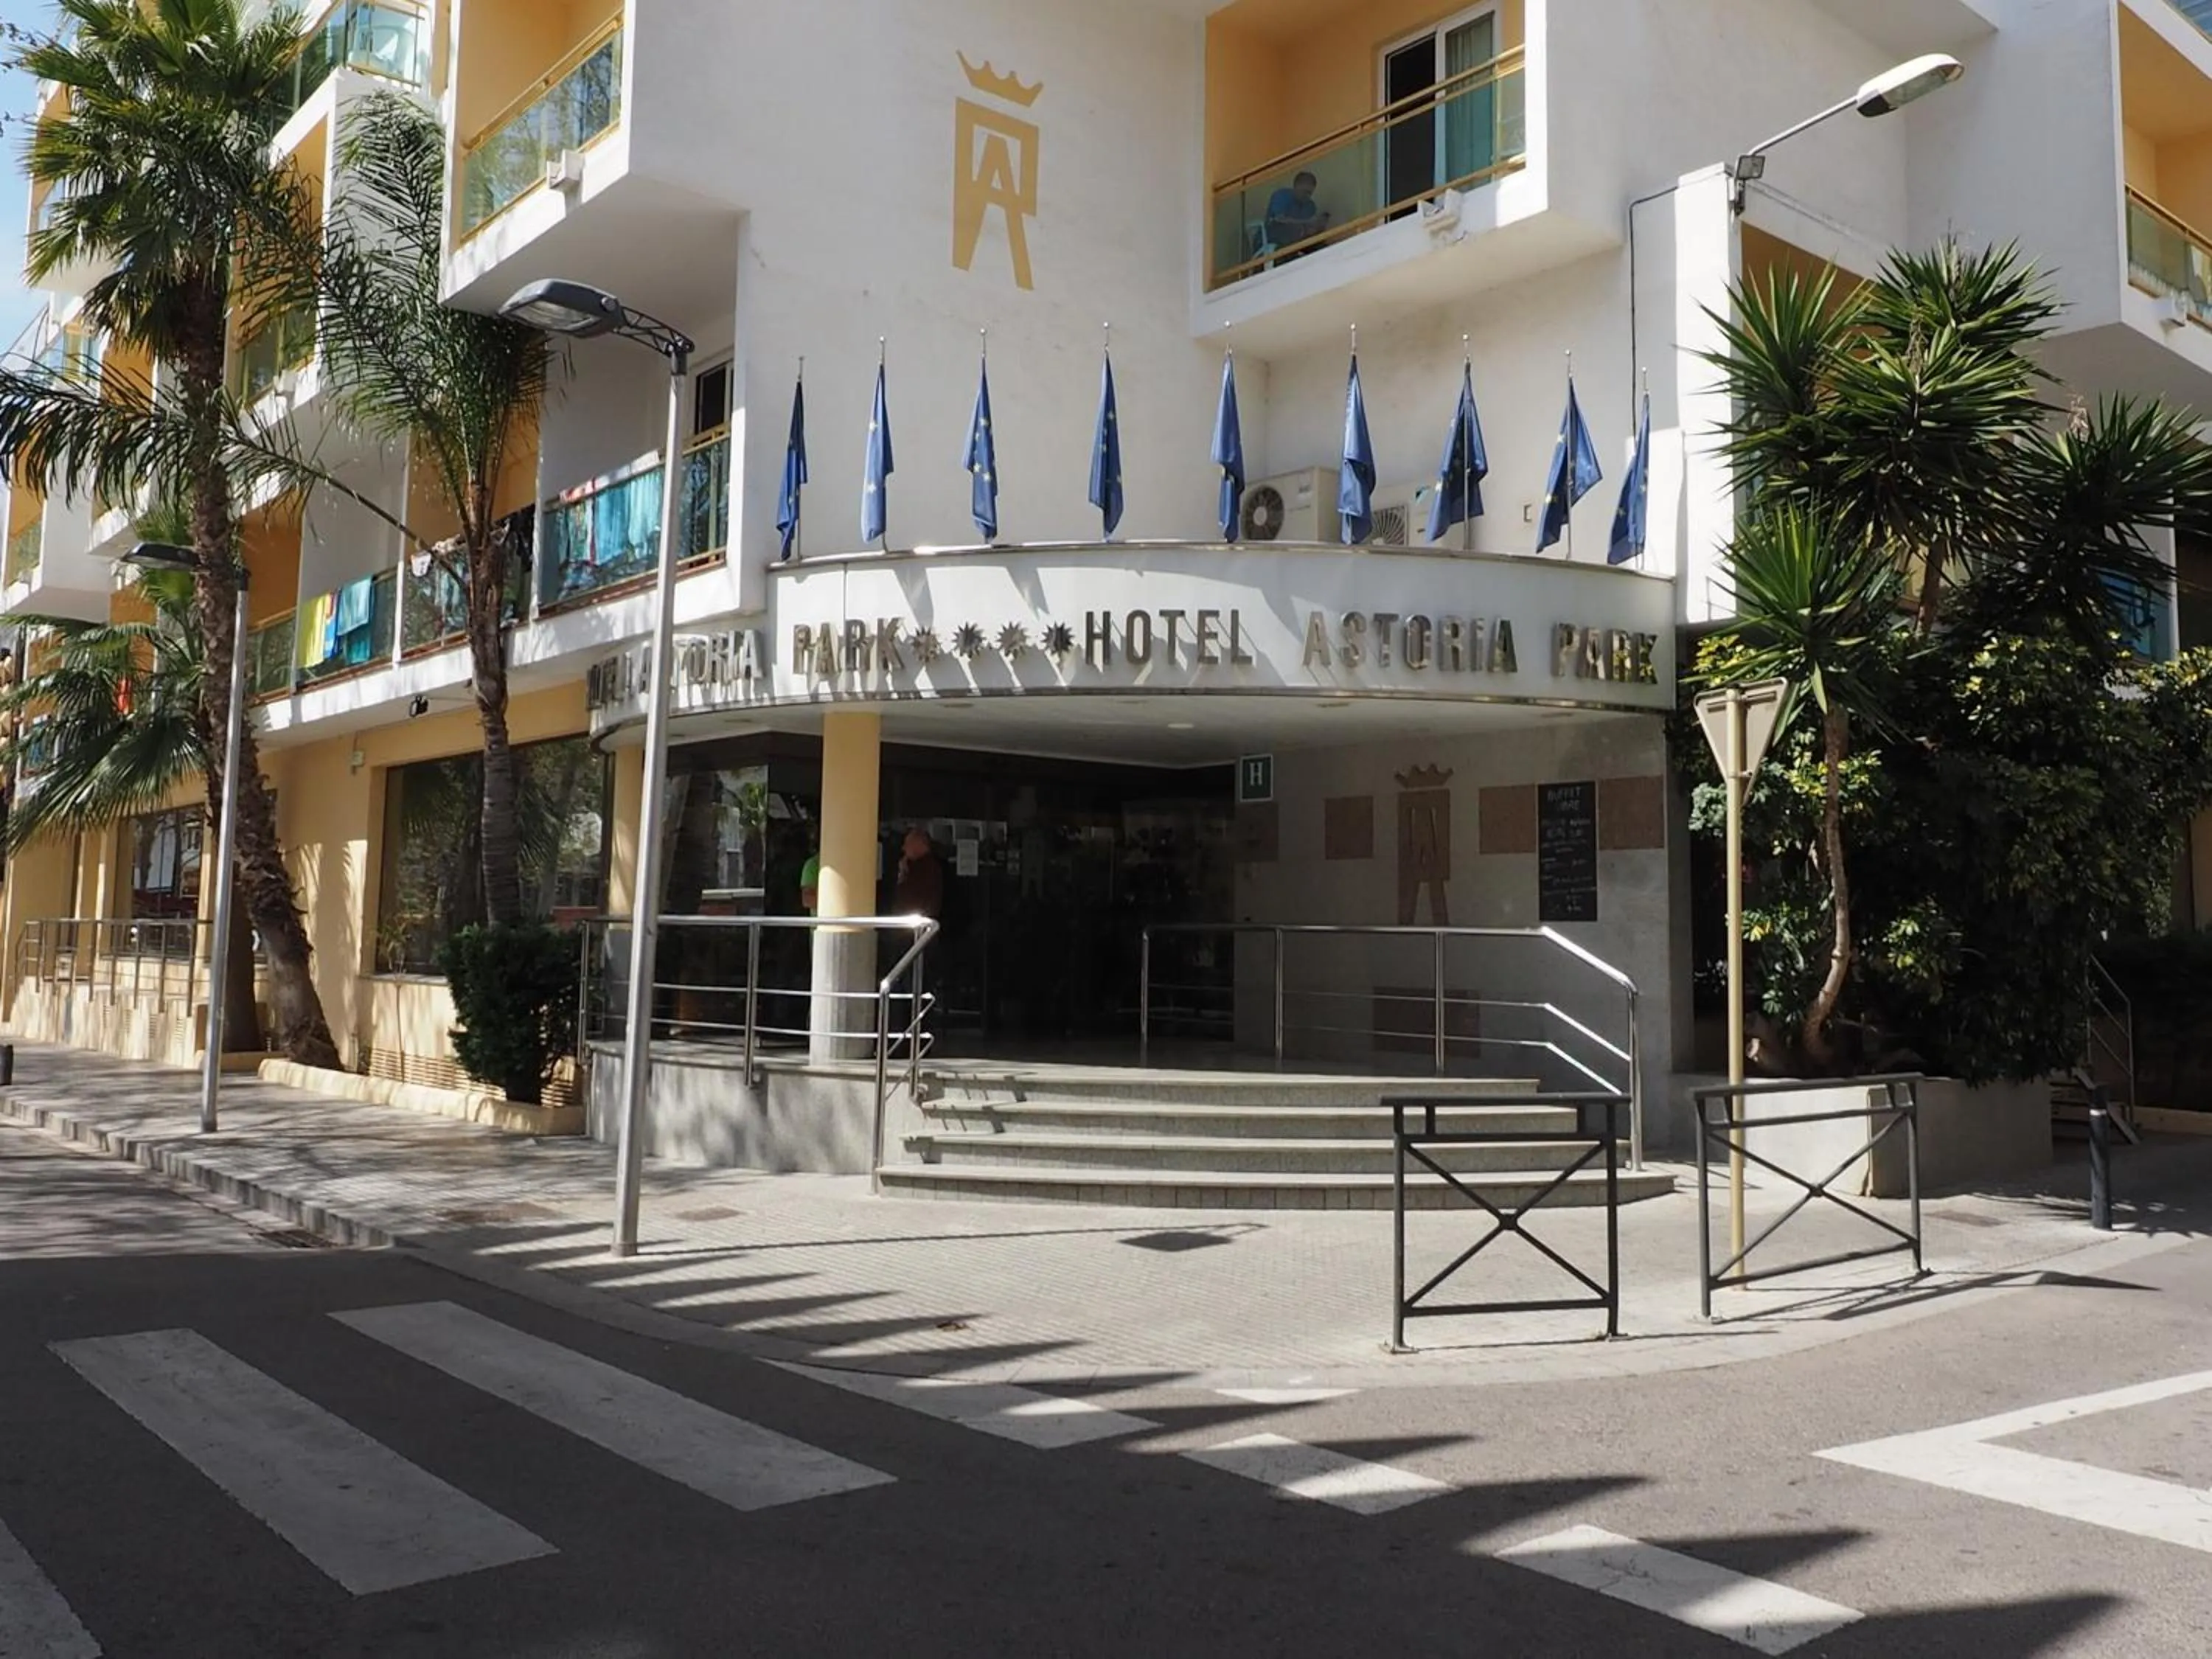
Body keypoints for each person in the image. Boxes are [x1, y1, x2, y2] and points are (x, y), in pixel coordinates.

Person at [1264, 170, 1330, 254]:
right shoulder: (1282, 196)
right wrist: (1307, 222)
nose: (1307, 196)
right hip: (1275, 239)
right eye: (1304, 192)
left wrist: (1319, 225)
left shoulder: (1310, 206)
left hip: (1297, 242)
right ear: (1295, 186)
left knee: (1323, 249)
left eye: (1310, 193)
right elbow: (1280, 219)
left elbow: (1308, 230)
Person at [894, 826, 944, 920]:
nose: (904, 848)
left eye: (907, 844)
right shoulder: (918, 866)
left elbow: (910, 897)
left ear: (918, 844)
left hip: (917, 921)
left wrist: (903, 873)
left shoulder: (927, 868)